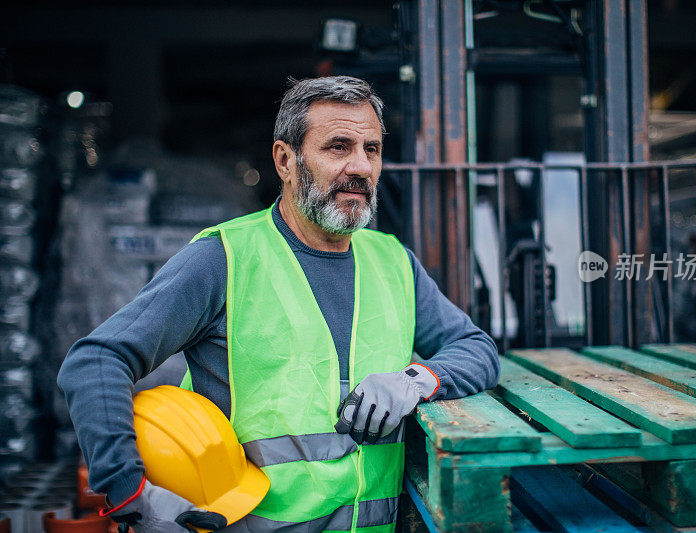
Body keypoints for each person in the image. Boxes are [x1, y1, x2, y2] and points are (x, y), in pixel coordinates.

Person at [58, 75, 499, 532]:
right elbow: (96, 360)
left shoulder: (393, 262)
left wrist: (419, 378)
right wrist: (131, 490)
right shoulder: (224, 258)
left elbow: (477, 348)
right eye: (338, 147)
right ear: (285, 160)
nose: (361, 167)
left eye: (372, 149)